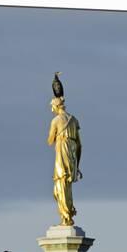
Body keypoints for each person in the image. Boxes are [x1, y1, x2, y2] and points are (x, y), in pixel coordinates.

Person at [47, 96, 82, 226]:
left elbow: (50, 140)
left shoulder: (56, 120)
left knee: (60, 185)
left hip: (62, 151)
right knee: (66, 184)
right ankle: (68, 214)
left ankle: (66, 216)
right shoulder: (74, 120)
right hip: (72, 154)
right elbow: (80, 145)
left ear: (56, 106)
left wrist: (57, 136)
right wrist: (77, 165)